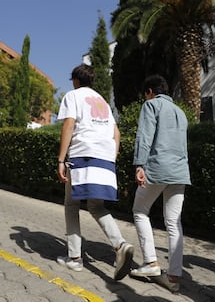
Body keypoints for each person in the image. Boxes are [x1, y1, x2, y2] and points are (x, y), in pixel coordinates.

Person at [56, 64, 134, 280]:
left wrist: (61, 159)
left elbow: (69, 125)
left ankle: (74, 259)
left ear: (75, 80)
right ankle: (120, 245)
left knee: (71, 204)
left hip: (84, 154)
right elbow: (116, 133)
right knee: (96, 206)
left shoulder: (73, 96)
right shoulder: (103, 101)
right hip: (106, 156)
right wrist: (112, 157)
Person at [130, 74, 191, 293]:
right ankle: (174, 276)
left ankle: (150, 263)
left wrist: (139, 164)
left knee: (140, 210)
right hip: (180, 171)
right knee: (174, 222)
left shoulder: (151, 105)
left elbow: (144, 136)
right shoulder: (181, 113)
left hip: (157, 167)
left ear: (150, 92)